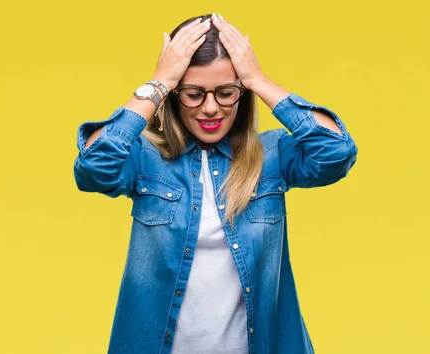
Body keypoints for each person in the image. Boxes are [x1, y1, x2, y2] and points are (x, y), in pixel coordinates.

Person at [73, 13, 358, 354]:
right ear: (175, 94)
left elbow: (336, 152)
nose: (211, 108)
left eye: (225, 92)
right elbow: (93, 166)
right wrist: (159, 82)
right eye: (193, 93)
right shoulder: (145, 158)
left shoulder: (272, 156)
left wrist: (258, 79)